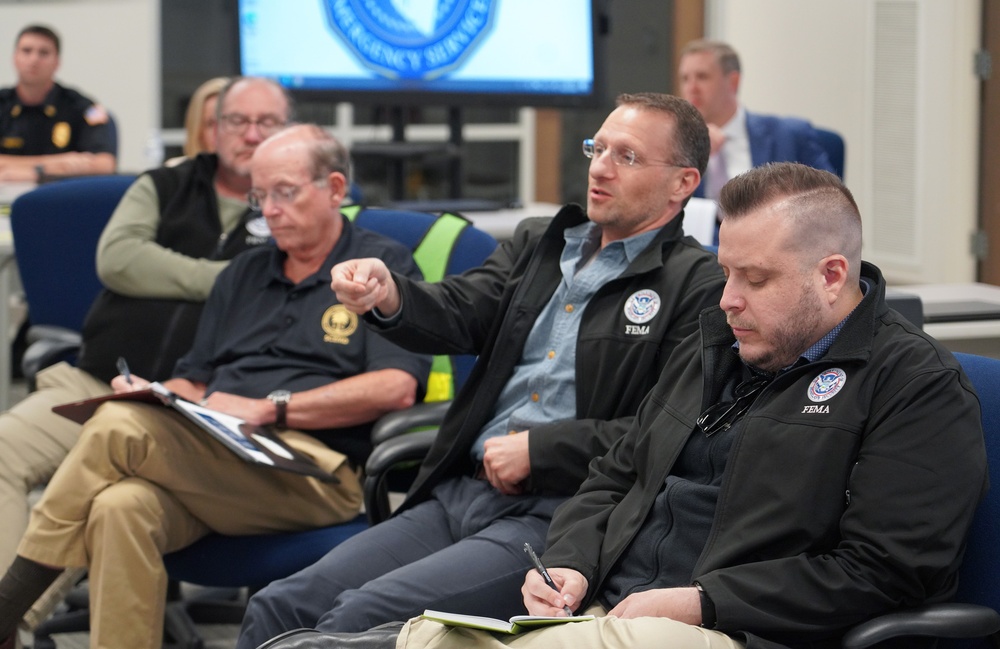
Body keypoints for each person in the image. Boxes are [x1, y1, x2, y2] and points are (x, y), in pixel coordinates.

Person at [387, 162, 988, 649]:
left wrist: (703, 602)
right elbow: (615, 475)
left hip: (744, 630)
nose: (728, 300)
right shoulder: (717, 348)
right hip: (613, 607)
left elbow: (884, 573)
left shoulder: (914, 384)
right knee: (430, 640)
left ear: (831, 276)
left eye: (755, 279)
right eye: (726, 272)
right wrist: (570, 561)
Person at [237, 92, 728, 648]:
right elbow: (460, 309)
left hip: (555, 516)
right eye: (598, 148)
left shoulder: (698, 285)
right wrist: (389, 292)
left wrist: (541, 448)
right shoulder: (542, 243)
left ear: (683, 183)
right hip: (459, 493)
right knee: (280, 604)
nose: (601, 167)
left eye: (628, 157)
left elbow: (664, 433)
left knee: (354, 618)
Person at [0, 123, 431, 649]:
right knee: (122, 505)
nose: (269, 210)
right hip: (221, 450)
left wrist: (269, 408)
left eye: (285, 193)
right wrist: (154, 393)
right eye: (260, 196)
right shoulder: (243, 274)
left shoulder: (377, 268)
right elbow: (194, 376)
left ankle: (10, 611)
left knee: (117, 427)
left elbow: (395, 388)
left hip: (314, 471)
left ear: (335, 189)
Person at [0, 76, 290, 626]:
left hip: (194, 413)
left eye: (266, 123)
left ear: (287, 132)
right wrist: (223, 278)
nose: (249, 134)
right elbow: (119, 259)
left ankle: (12, 621)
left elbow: (282, 293)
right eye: (236, 121)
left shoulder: (296, 204)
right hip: (99, 381)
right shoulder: (165, 185)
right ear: (213, 127)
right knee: (4, 450)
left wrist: (170, 271)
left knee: (102, 487)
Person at [678, 39, 835, 201]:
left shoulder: (790, 135)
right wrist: (694, 153)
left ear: (733, 82)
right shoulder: (679, 146)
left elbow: (832, 201)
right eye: (685, 79)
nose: (691, 88)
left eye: (702, 77)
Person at [0, 25, 116, 181]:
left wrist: (35, 174)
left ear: (57, 62)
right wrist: (57, 163)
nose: (34, 59)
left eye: (44, 53)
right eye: (26, 51)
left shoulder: (80, 106)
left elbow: (105, 164)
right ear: (14, 58)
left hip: (59, 199)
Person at [165, 75, 230, 166]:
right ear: (198, 131)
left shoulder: (254, 174)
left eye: (230, 122)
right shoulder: (176, 174)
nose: (219, 132)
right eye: (210, 124)